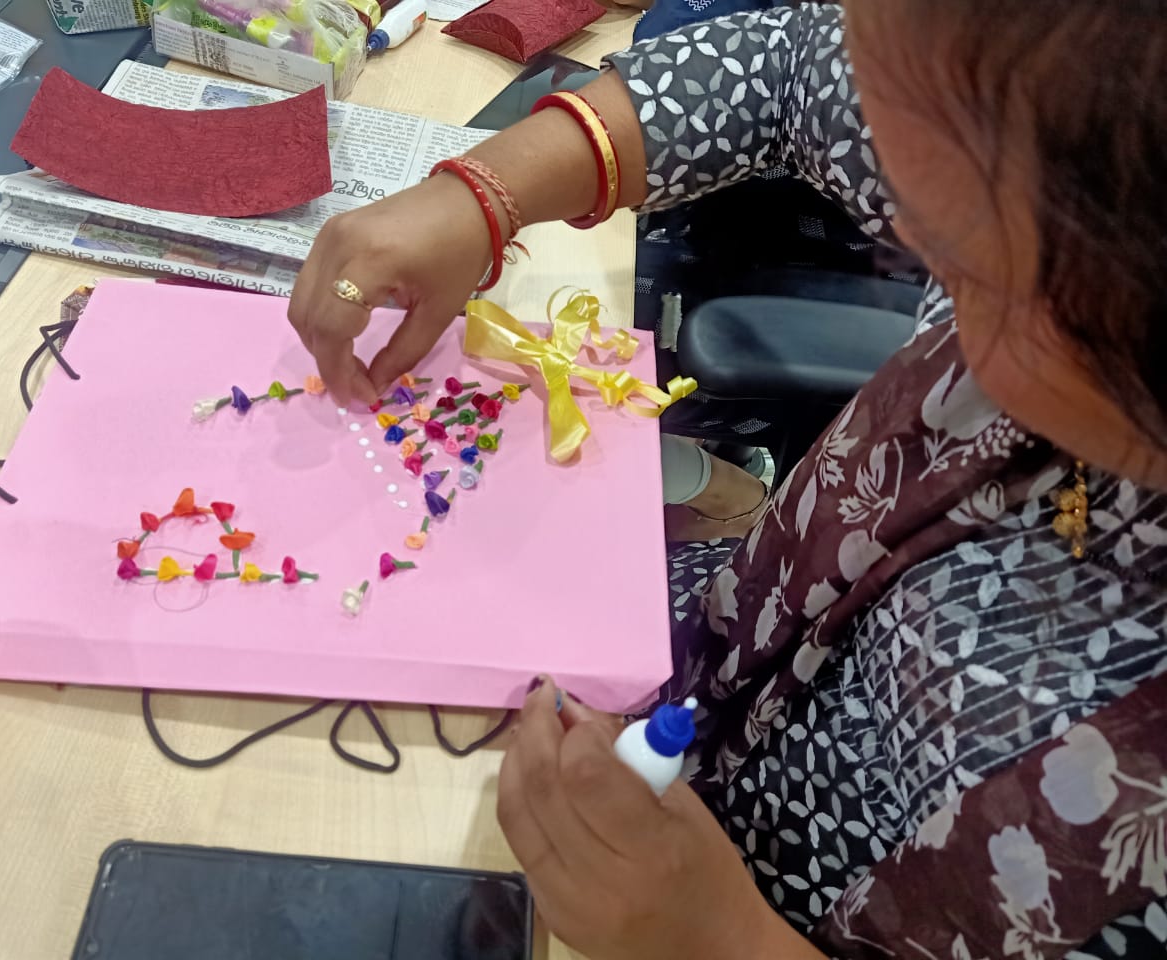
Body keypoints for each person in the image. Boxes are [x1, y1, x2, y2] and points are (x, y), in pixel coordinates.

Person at [288, 2, 1167, 956]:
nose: (908, 245)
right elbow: (790, 72)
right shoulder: (1065, 98)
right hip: (694, 677)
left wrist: (718, 936)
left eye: (964, 263)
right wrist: (488, 192)